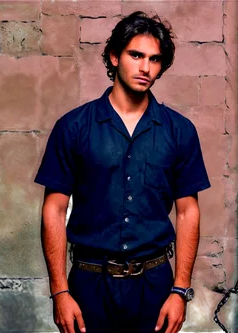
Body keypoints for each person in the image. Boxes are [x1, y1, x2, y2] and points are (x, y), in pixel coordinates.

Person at [35, 11, 210, 333]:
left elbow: (188, 212)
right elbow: (55, 210)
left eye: (155, 59)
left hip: (155, 283)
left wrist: (180, 290)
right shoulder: (73, 127)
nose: (145, 67)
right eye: (136, 55)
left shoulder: (180, 131)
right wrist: (60, 292)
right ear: (114, 56)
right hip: (89, 282)